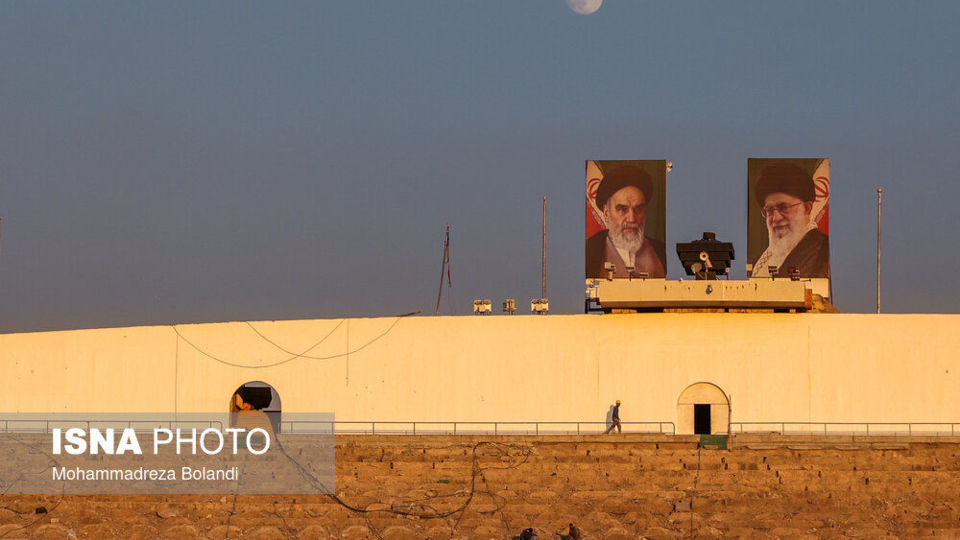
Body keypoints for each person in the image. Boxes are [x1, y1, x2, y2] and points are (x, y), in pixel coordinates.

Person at [750, 164, 830, 278]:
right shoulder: (760, 261)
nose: (776, 218)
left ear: (807, 208)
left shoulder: (826, 253)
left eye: (784, 207)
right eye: (770, 210)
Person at [586, 166, 666, 279]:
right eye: (622, 209)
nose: (632, 219)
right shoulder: (588, 251)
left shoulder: (662, 252)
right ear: (606, 213)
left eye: (638, 209)